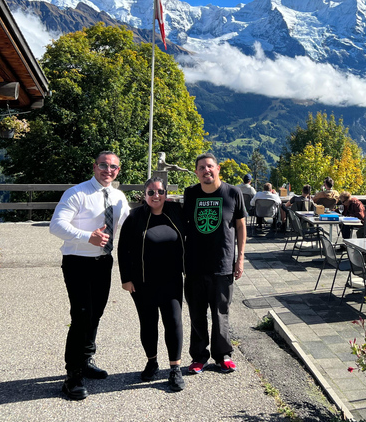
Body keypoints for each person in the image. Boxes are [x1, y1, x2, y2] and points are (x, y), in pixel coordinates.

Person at [49, 151, 130, 400]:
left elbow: (129, 223)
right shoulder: (77, 193)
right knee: (82, 315)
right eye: (103, 165)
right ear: (94, 167)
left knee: (96, 313)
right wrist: (88, 237)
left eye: (113, 167)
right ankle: (72, 375)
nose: (108, 170)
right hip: (78, 263)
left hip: (103, 262)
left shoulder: (118, 196)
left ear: (118, 171)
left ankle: (85, 359)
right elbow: (56, 225)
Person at [117, 178, 186, 392]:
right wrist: (126, 279)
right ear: (144, 195)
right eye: (151, 192)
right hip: (142, 282)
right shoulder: (135, 217)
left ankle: (175, 368)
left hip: (172, 280)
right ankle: (152, 361)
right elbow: (122, 249)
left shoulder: (176, 211)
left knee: (173, 322)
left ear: (166, 193)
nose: (156, 196)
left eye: (160, 191)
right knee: (148, 323)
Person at [182, 153, 246, 374]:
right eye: (201, 167)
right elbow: (183, 226)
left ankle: (222, 355)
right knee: (196, 313)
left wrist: (240, 258)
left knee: (221, 312)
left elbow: (240, 227)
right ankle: (199, 356)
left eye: (210, 166)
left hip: (223, 263)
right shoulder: (190, 194)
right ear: (197, 171)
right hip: (194, 264)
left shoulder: (232, 193)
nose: (206, 170)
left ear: (218, 168)